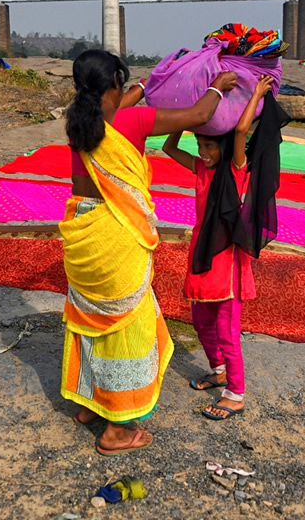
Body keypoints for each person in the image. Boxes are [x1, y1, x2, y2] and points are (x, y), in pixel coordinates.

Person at [60, 49, 238, 455]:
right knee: (129, 328)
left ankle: (91, 403)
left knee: (92, 318)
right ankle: (118, 429)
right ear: (112, 85)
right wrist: (218, 86)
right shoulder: (132, 121)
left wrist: (147, 83)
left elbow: (119, 104)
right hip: (117, 238)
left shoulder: (78, 123)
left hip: (84, 235)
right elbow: (196, 116)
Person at [161, 75, 279, 421]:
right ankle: (219, 369)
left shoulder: (236, 169)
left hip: (225, 256)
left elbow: (240, 133)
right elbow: (168, 149)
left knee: (227, 326)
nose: (203, 152)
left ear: (223, 147)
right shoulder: (200, 167)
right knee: (200, 317)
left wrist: (256, 93)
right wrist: (185, 118)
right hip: (202, 249)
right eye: (200, 145)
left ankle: (236, 393)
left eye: (209, 146)